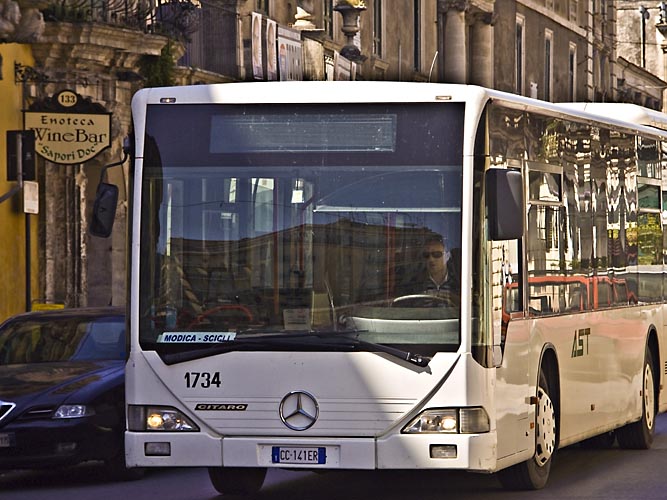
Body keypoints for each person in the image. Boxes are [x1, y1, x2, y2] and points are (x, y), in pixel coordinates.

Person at [419, 235, 459, 299]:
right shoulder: (415, 283)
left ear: (447, 256)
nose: (431, 259)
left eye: (437, 254)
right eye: (426, 255)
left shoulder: (460, 282)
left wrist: (453, 298)